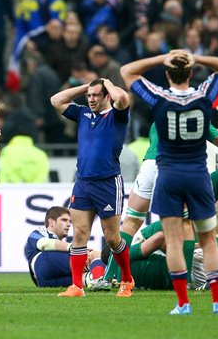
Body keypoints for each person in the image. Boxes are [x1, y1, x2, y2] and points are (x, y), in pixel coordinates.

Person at [121, 49, 218, 314]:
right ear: (191, 72)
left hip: (169, 176)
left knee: (173, 241)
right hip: (197, 176)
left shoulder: (159, 98)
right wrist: (196, 58)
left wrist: (161, 58)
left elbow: (127, 71)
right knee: (209, 240)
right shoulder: (204, 95)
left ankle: (183, 303)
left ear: (167, 73)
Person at [95, 122, 218, 291]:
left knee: (130, 221)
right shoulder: (197, 116)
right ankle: (186, 280)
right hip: (174, 166)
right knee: (185, 223)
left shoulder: (158, 118)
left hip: (149, 165)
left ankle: (107, 278)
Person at [50, 78, 134, 298]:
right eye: (89, 96)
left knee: (113, 238)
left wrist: (108, 82)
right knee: (79, 235)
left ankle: (127, 279)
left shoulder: (116, 116)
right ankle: (76, 286)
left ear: (107, 96)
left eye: (96, 95)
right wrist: (85, 87)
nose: (91, 99)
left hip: (108, 183)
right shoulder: (83, 114)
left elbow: (123, 97)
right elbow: (56, 100)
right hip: (83, 182)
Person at [25, 207, 105, 288]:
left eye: (69, 221)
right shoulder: (39, 232)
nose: (69, 224)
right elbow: (44, 244)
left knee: (87, 279)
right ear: (51, 222)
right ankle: (101, 275)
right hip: (42, 263)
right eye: (64, 220)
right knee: (94, 255)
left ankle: (99, 280)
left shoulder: (62, 246)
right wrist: (74, 248)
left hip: (44, 282)